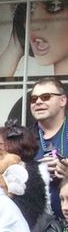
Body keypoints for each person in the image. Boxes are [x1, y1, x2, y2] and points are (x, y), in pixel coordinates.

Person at [27, 78, 68, 213]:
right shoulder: (22, 139)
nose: (38, 102)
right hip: (35, 225)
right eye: (34, 99)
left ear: (63, 100)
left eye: (46, 97)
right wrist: (35, 172)